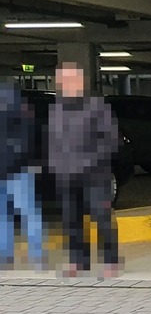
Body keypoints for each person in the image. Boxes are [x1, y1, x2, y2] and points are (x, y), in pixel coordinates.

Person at [47, 62, 119, 276]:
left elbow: (111, 140)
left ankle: (110, 261)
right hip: (66, 175)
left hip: (94, 174)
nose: (65, 83)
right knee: (71, 219)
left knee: (101, 217)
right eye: (62, 79)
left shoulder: (97, 106)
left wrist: (89, 161)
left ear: (80, 81)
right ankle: (79, 261)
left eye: (69, 78)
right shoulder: (56, 108)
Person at [0, 83, 46, 269]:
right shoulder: (26, 116)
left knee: (5, 215)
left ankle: (5, 256)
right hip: (19, 170)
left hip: (9, 172)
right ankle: (37, 256)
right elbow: (31, 142)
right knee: (28, 213)